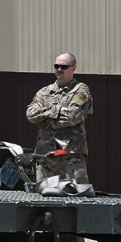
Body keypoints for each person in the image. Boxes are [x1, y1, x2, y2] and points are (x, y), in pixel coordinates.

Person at [25, 52, 93, 185]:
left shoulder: (81, 90)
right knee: (44, 197)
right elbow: (30, 114)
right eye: (57, 66)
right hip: (45, 157)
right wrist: (59, 110)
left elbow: (71, 117)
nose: (59, 70)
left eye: (64, 67)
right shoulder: (44, 92)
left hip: (70, 156)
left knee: (75, 196)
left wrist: (44, 113)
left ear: (73, 68)